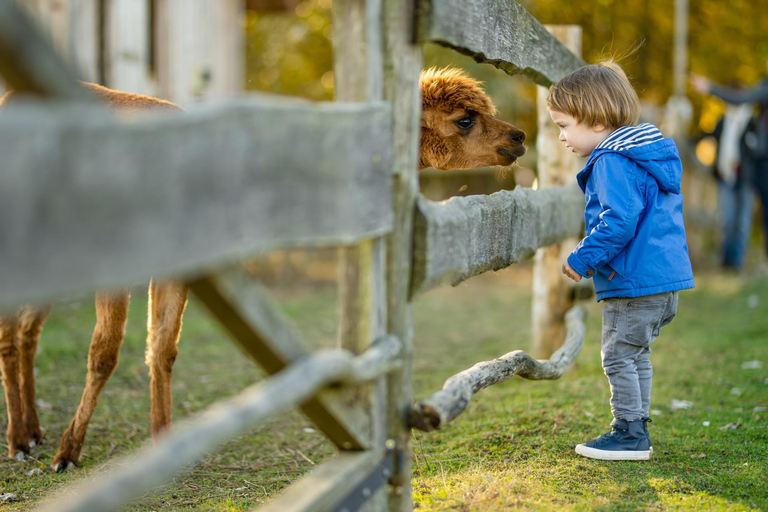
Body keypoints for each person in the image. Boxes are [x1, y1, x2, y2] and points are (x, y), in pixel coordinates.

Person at [547, 62, 695, 461]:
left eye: (564, 125)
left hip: (631, 280)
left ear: (595, 120)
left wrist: (583, 257)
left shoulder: (611, 160)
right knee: (635, 354)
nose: (561, 137)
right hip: (663, 281)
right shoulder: (643, 153)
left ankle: (628, 433)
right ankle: (637, 425)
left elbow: (620, 219)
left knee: (617, 356)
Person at [691, 66, 768, 262]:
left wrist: (709, 87)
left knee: (743, 221)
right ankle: (729, 262)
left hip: (748, 175)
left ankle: (740, 262)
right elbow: (708, 136)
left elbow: (756, 146)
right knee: (729, 220)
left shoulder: (753, 117)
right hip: (728, 175)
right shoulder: (724, 120)